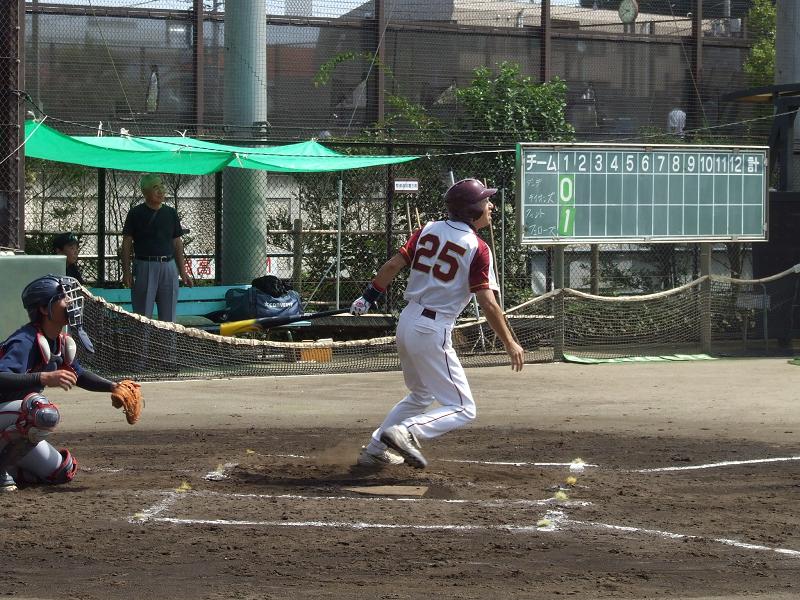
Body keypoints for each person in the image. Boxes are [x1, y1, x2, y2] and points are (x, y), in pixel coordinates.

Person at [352, 178, 524, 469]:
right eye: (485, 201)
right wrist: (510, 342)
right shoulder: (478, 247)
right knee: (463, 408)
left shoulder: (428, 229)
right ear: (471, 210)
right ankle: (407, 431)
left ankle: (375, 449)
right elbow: (488, 303)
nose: (491, 206)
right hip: (432, 328)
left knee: (421, 394)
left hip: (407, 321)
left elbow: (393, 265)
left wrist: (368, 297)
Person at [0, 274, 135, 492]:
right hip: (9, 414)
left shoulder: (58, 341)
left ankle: (11, 468)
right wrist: (43, 377)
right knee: (40, 411)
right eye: (63, 298)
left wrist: (113, 386)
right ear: (44, 309)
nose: (70, 302)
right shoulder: (25, 340)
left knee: (62, 471)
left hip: (7, 419)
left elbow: (78, 375)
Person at [121, 173, 193, 322]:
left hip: (169, 267)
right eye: (155, 187)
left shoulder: (171, 213)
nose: (161, 191)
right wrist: (126, 271)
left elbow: (177, 242)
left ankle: (168, 339)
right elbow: (127, 243)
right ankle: (142, 339)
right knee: (142, 317)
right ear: (145, 192)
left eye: (162, 186)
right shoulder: (135, 213)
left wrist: (183, 271)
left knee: (169, 318)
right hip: (144, 266)